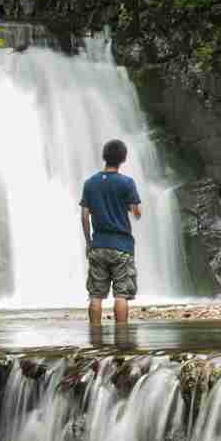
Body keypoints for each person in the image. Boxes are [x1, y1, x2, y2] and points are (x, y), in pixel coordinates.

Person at [80, 138, 144, 333]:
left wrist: (88, 241)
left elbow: (84, 215)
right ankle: (122, 338)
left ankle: (95, 337)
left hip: (98, 244)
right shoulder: (127, 183)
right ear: (123, 159)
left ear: (104, 157)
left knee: (96, 295)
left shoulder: (90, 183)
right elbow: (137, 213)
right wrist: (128, 207)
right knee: (121, 295)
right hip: (122, 246)